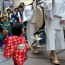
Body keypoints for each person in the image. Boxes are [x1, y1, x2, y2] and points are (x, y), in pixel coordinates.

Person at [44, 0, 65, 65]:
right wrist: (51, 1)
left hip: (59, 19)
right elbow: (46, 8)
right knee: (51, 38)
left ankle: (51, 54)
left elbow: (64, 8)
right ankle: (55, 56)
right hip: (51, 20)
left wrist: (63, 17)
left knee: (59, 38)